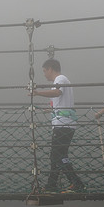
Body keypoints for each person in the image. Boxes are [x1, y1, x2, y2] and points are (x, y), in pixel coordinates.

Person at [30, 59, 84, 193]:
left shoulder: (60, 79)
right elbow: (60, 99)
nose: (44, 74)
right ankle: (52, 185)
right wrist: (51, 110)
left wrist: (37, 93)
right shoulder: (61, 80)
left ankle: (76, 183)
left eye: (44, 71)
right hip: (64, 123)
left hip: (63, 124)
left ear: (50, 69)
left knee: (56, 155)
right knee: (58, 155)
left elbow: (57, 93)